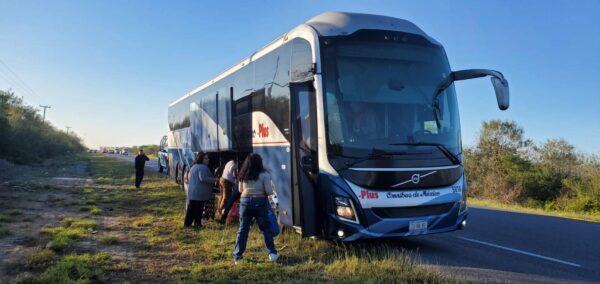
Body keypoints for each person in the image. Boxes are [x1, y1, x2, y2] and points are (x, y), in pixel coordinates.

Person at [233, 153, 278, 263]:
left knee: (243, 229)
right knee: (265, 229)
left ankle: (237, 256)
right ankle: (272, 253)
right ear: (260, 163)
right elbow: (268, 191)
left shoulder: (243, 174)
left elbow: (240, 190)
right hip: (259, 203)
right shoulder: (265, 175)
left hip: (245, 203)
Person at [184, 152, 217, 228]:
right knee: (198, 209)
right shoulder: (203, 167)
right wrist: (215, 180)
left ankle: (187, 224)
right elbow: (203, 178)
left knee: (191, 209)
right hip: (199, 193)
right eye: (206, 158)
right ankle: (197, 224)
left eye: (208, 158)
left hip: (192, 192)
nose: (208, 159)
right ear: (201, 159)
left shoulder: (194, 166)